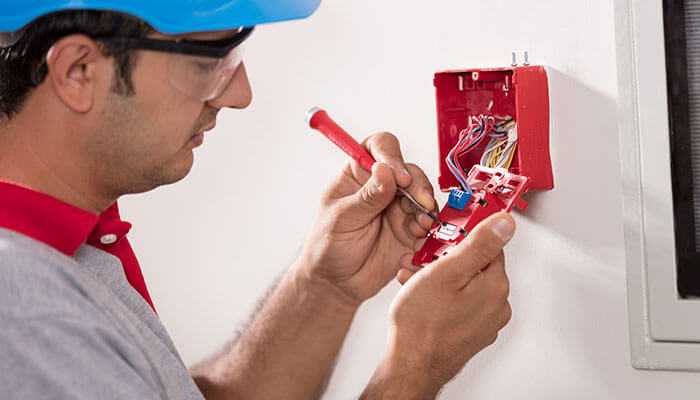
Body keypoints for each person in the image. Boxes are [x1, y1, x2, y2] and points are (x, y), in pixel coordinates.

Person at [0, 2, 515, 399]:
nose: (239, 94)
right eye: (213, 59)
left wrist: (326, 286)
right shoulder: (25, 317)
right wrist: (413, 370)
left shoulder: (65, 251)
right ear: (78, 72)